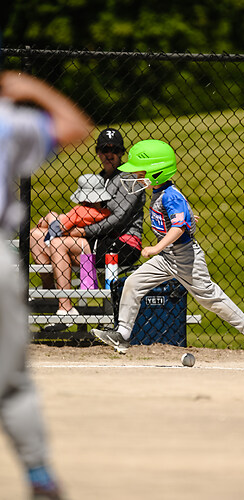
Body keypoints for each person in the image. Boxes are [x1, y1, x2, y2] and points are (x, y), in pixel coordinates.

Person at [91, 139, 244, 364]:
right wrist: (183, 222)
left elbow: (178, 227)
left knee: (209, 298)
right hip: (168, 258)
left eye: (140, 172)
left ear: (157, 172)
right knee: (133, 284)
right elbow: (178, 219)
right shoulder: (159, 192)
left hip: (186, 257)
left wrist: (157, 247)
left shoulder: (169, 194)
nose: (135, 177)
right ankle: (123, 335)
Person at [0, 70, 93, 499]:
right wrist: (31, 88)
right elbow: (75, 128)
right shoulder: (6, 119)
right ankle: (40, 478)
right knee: (12, 382)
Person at [30, 128, 145, 314]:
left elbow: (117, 219)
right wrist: (60, 221)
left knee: (59, 243)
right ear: (98, 152)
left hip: (122, 243)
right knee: (36, 236)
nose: (110, 154)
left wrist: (82, 232)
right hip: (96, 240)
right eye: (105, 149)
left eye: (115, 150)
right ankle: (50, 294)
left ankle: (64, 305)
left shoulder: (130, 178)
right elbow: (84, 213)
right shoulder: (97, 179)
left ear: (122, 153)